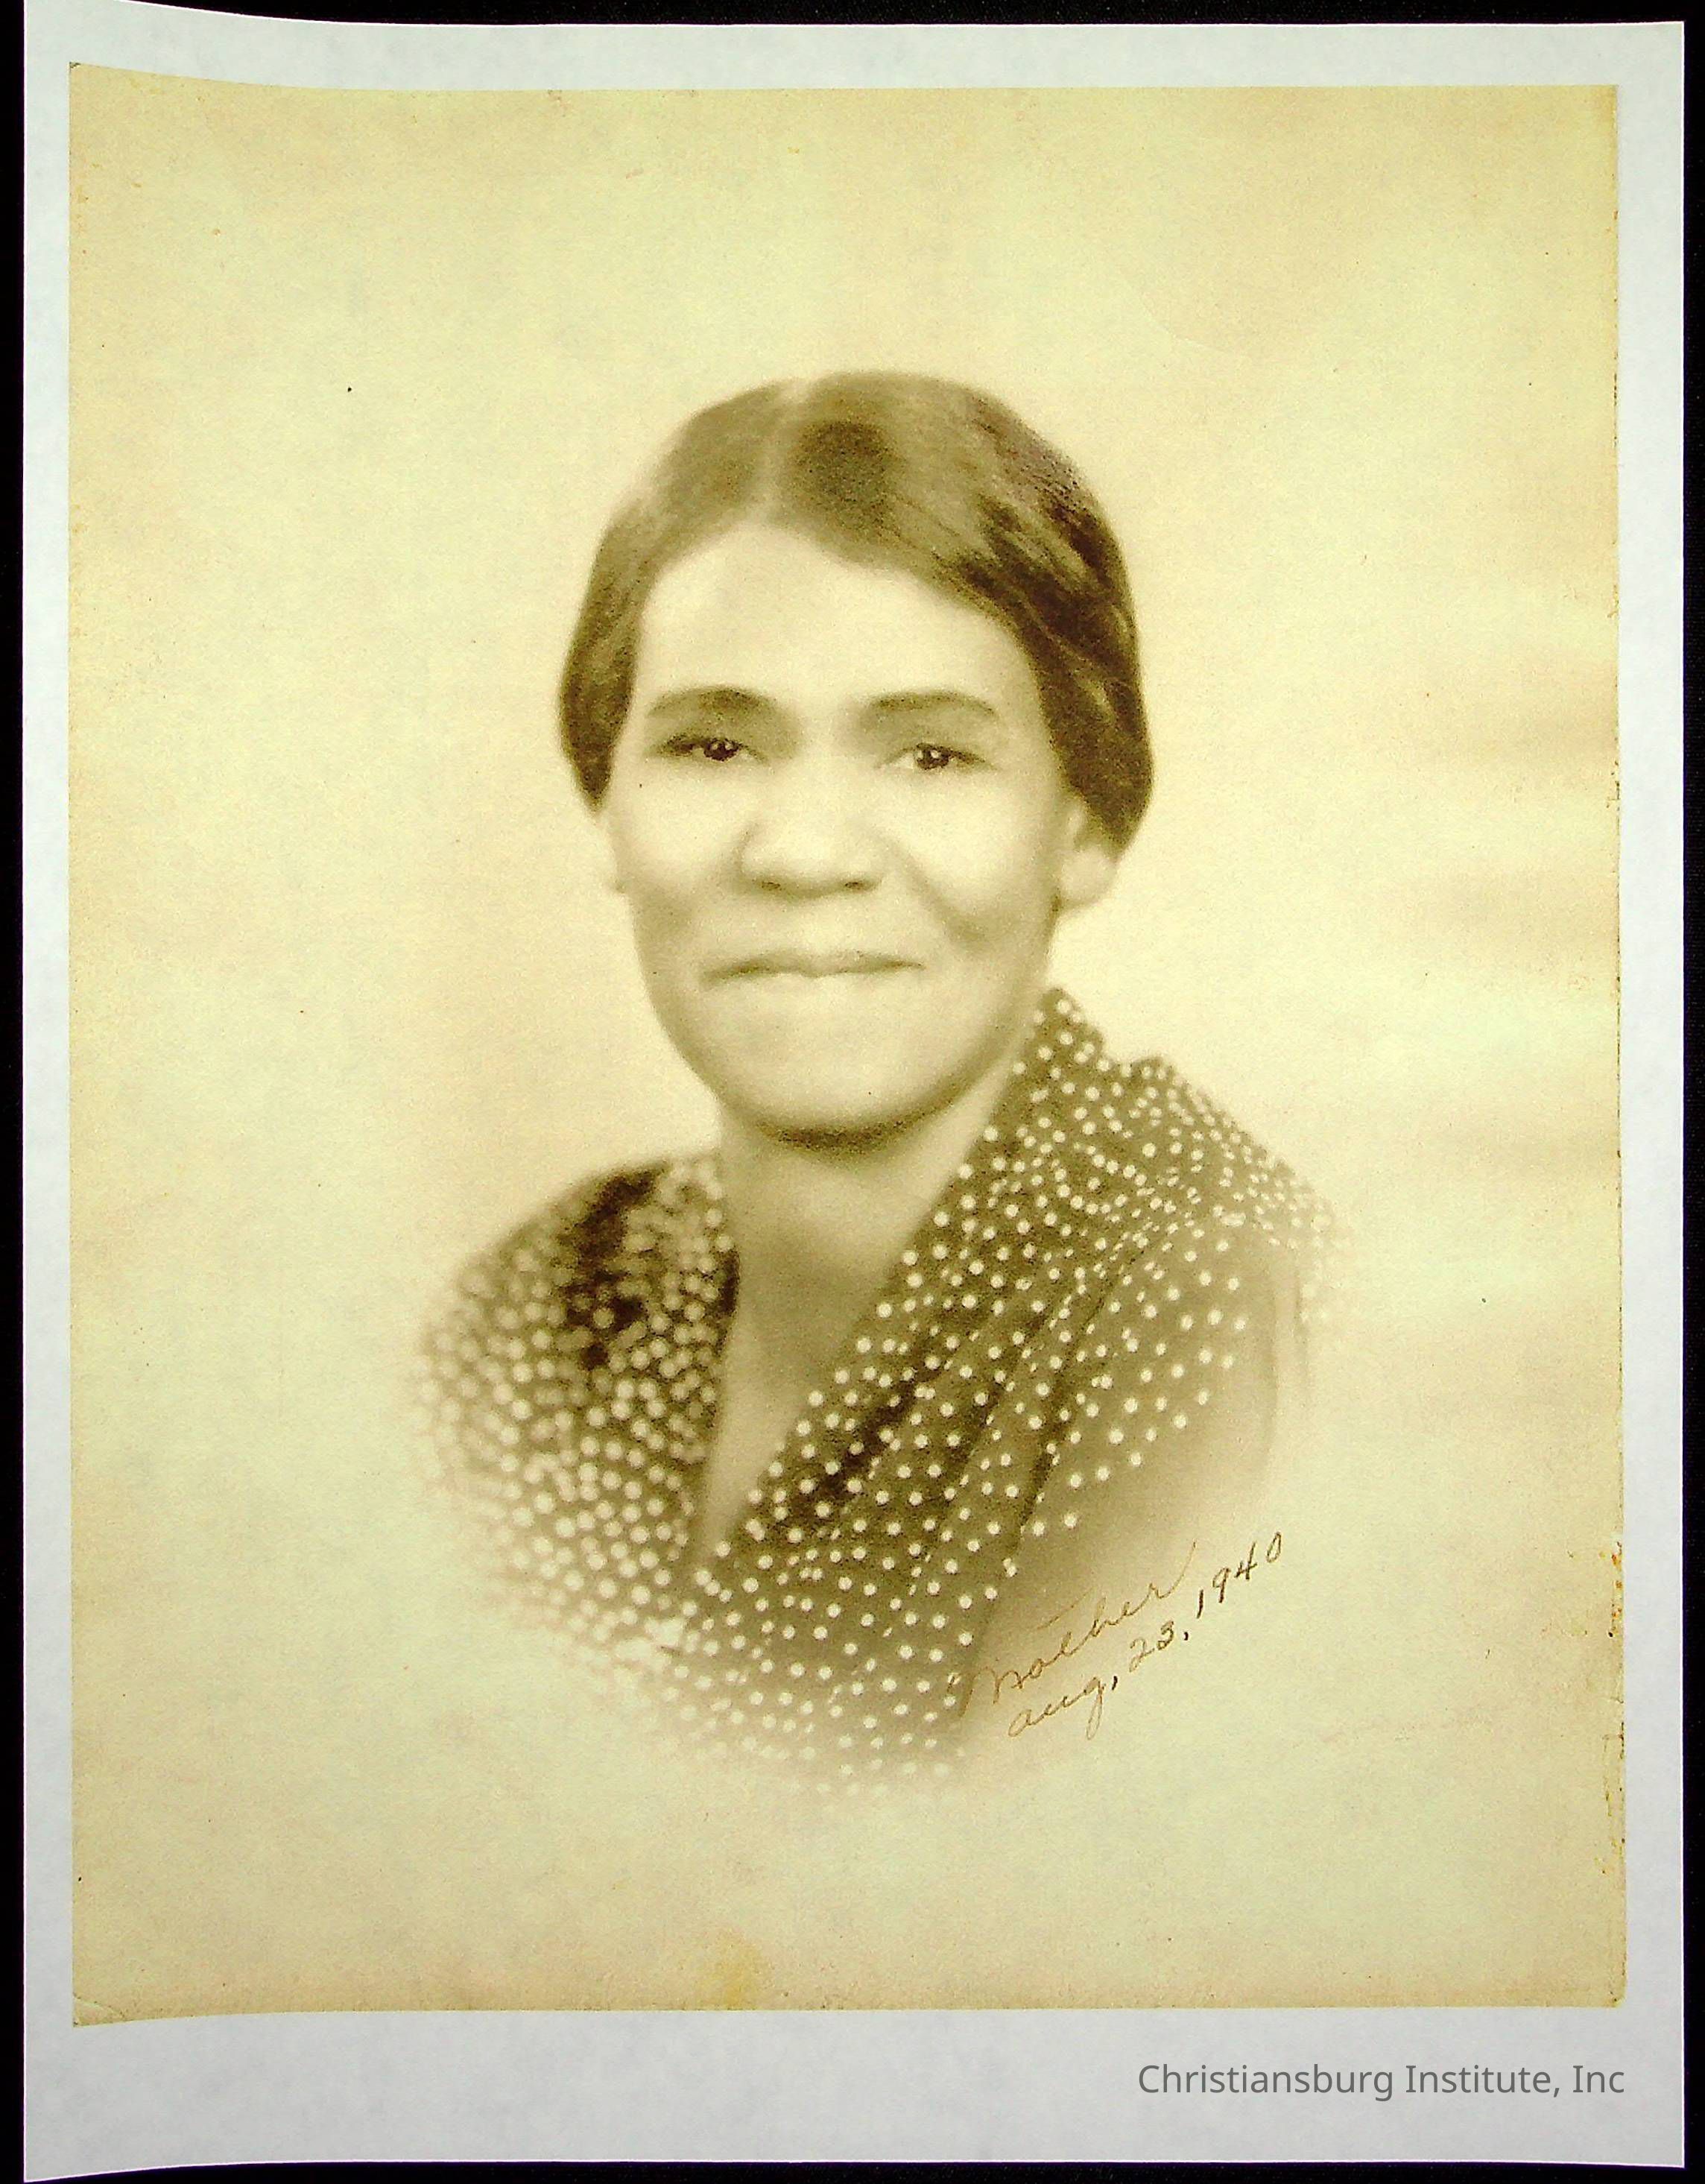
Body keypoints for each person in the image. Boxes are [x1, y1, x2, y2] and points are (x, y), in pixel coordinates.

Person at [418, 371, 1336, 1780]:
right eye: (713, 744)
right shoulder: (538, 1318)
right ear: (608, 801)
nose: (804, 851)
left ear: (1084, 821)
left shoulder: (1206, 1298)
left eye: (931, 754)